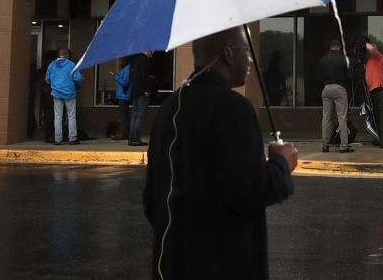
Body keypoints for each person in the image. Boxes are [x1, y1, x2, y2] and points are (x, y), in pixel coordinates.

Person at [143, 26, 298, 279]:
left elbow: (152, 200)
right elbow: (248, 189)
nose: (249, 59)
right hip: (225, 266)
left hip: (172, 266)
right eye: (246, 51)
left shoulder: (168, 110)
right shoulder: (234, 109)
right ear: (228, 53)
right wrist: (281, 164)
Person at [318, 39, 353, 153]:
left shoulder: (323, 60)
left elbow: (318, 76)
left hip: (326, 88)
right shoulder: (343, 59)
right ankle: (343, 146)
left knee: (326, 117)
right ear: (340, 47)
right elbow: (349, 77)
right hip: (339, 88)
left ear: (330, 47)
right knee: (342, 117)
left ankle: (325, 145)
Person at [44, 48, 83, 145]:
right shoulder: (71, 64)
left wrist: (55, 83)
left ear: (58, 55)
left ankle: (57, 139)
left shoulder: (52, 65)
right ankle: (72, 138)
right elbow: (77, 78)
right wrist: (81, 80)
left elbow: (47, 79)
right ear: (67, 55)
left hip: (56, 93)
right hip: (69, 93)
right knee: (71, 116)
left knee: (58, 116)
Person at [365, 41, 383, 146]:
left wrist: (363, 43)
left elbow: (372, 49)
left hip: (379, 88)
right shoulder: (369, 60)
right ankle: (378, 136)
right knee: (375, 114)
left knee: (380, 115)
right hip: (373, 89)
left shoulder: (378, 56)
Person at [128, 50, 154, 146]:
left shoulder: (134, 61)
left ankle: (131, 138)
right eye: (151, 50)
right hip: (143, 91)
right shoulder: (145, 60)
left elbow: (131, 76)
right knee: (140, 115)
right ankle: (135, 139)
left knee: (135, 115)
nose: (153, 52)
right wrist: (147, 89)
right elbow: (144, 76)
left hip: (135, 91)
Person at [110, 57, 132, 141]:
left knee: (123, 115)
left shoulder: (127, 68)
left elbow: (125, 82)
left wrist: (114, 76)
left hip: (124, 95)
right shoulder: (127, 68)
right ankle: (125, 133)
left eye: (121, 59)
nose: (119, 61)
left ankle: (123, 134)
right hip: (124, 94)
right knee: (124, 115)